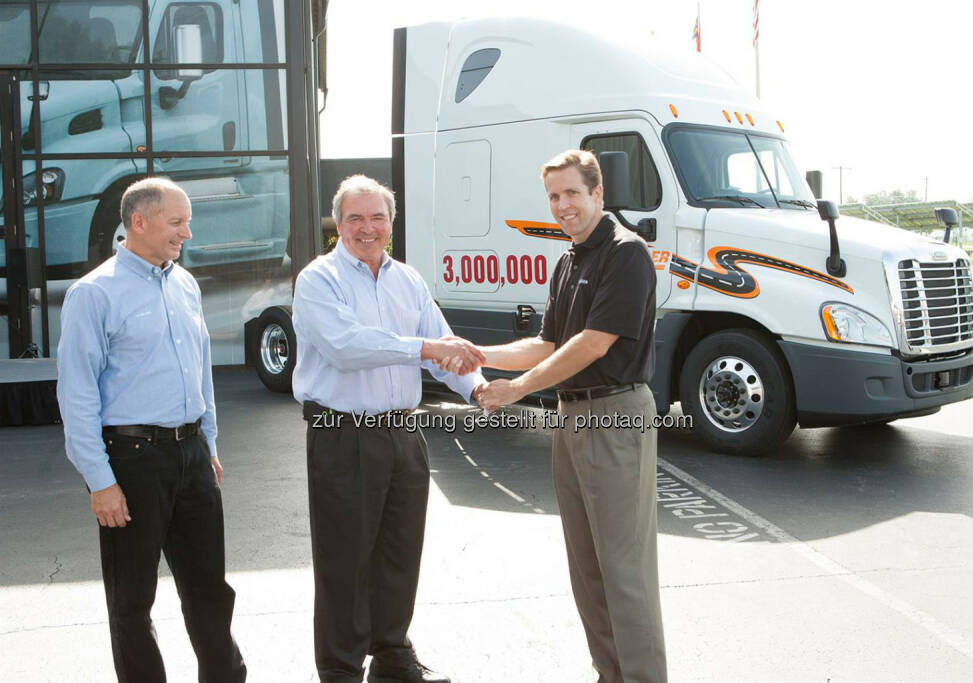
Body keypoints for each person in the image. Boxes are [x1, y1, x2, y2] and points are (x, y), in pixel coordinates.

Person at [475, 150, 666, 683]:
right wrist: (476, 353)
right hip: (571, 419)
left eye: (572, 194)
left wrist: (518, 390)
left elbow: (593, 344)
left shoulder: (626, 253)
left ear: (598, 194)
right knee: (588, 571)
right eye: (554, 196)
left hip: (615, 416)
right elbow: (548, 343)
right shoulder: (569, 260)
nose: (563, 206)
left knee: (625, 573)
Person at [292, 174, 486, 683]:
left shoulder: (408, 280)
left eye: (377, 217)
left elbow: (443, 344)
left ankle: (393, 657)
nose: (367, 227)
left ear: (391, 224)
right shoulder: (319, 280)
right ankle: (340, 670)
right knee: (345, 561)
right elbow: (347, 346)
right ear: (337, 224)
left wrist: (479, 390)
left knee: (400, 552)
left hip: (404, 434)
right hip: (343, 434)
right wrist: (422, 349)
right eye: (355, 217)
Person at [57, 177, 246, 682]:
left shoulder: (184, 283)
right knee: (132, 600)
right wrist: (100, 481)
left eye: (187, 221)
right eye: (177, 221)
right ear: (138, 222)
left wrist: (209, 442)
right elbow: (76, 394)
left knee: (209, 588)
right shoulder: (93, 294)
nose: (187, 232)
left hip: (192, 455)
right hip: (132, 460)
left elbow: (200, 368)